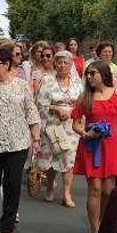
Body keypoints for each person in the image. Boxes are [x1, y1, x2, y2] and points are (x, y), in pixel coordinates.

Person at [0, 48, 41, 233]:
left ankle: (7, 227)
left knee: (13, 186)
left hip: (18, 144)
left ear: (7, 65)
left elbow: (31, 113)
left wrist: (36, 139)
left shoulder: (22, 86)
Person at [72, 61, 117, 233]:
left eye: (93, 73)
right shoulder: (84, 97)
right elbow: (75, 123)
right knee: (95, 189)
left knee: (108, 191)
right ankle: (94, 230)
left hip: (112, 146)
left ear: (103, 75)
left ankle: (105, 224)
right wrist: (84, 133)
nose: (89, 77)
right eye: (87, 74)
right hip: (92, 146)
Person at [35, 51, 83, 207]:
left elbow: (82, 103)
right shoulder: (48, 81)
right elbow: (41, 103)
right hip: (52, 125)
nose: (62, 65)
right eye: (59, 62)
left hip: (71, 126)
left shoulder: (77, 83)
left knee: (69, 159)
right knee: (52, 157)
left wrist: (71, 112)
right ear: (55, 64)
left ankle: (66, 194)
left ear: (71, 65)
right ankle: (49, 186)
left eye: (65, 63)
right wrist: (56, 108)